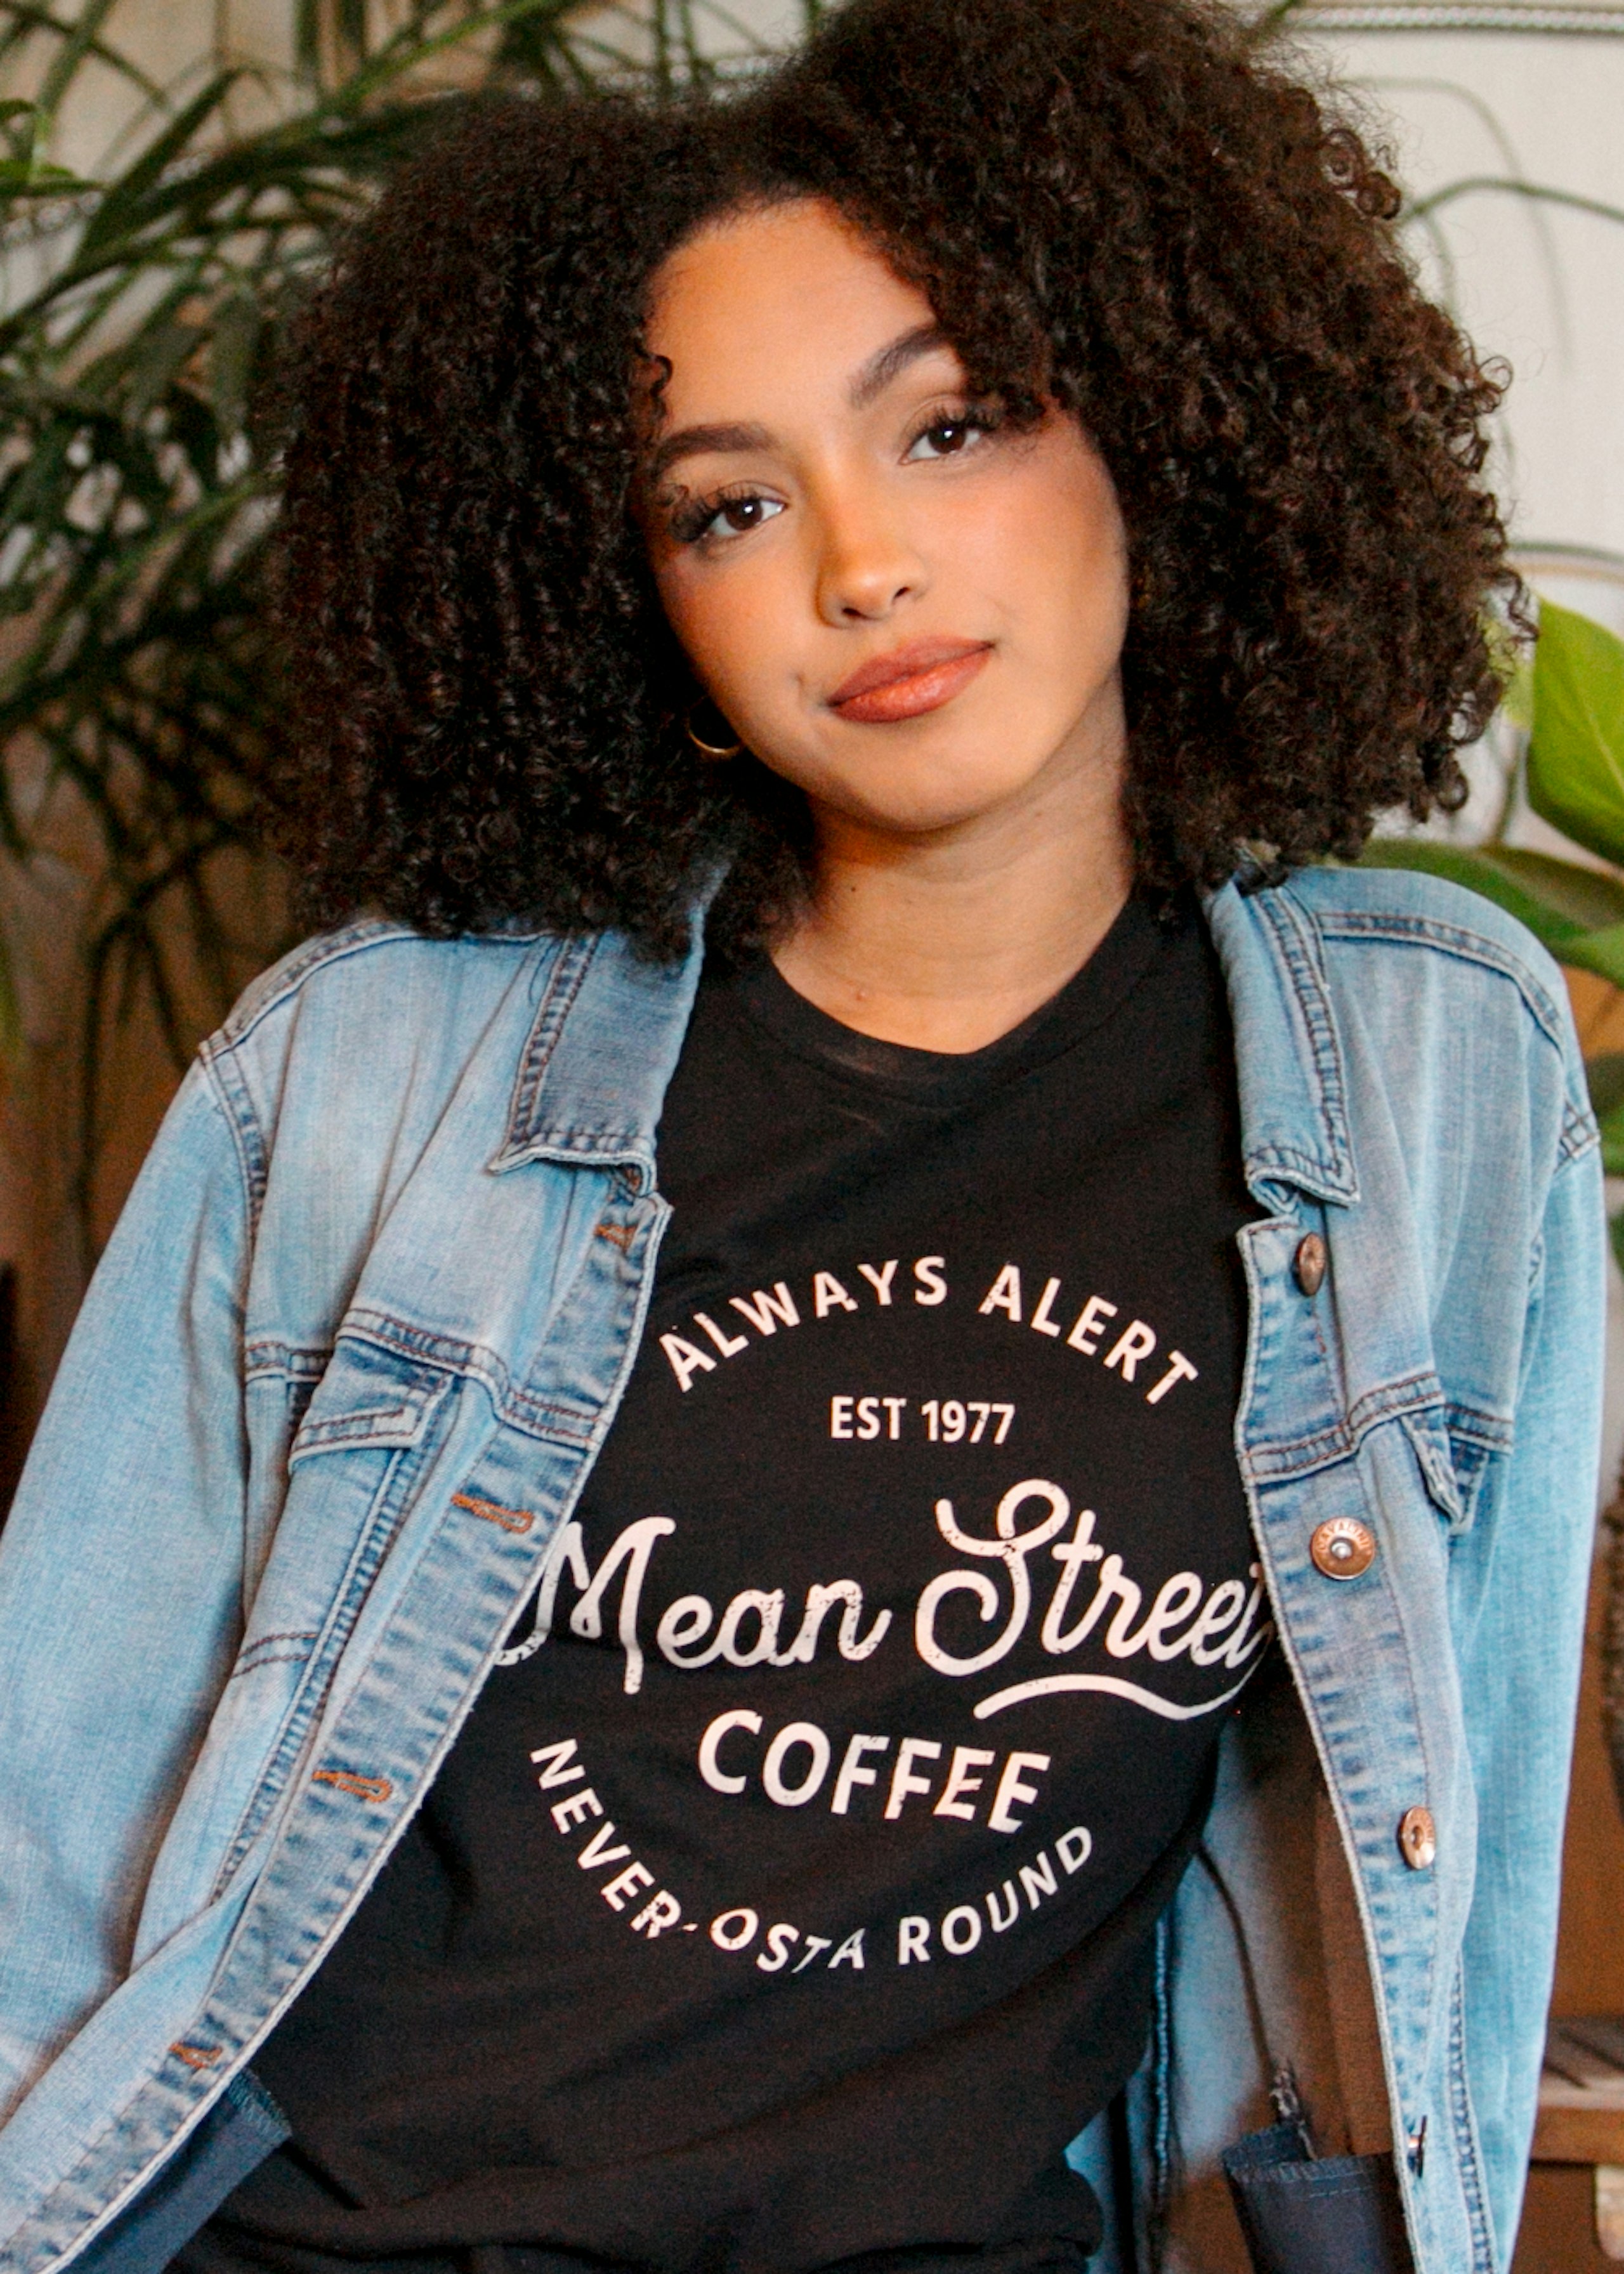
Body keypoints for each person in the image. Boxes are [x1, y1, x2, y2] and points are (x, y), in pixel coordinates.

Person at [0, 0, 1605, 2270]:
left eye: (952, 424)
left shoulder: (1438, 1068)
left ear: (1160, 425)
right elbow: (36, 1861)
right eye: (732, 505)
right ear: (644, 613)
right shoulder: (360, 1069)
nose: (861, 563)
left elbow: (1466, 1859)